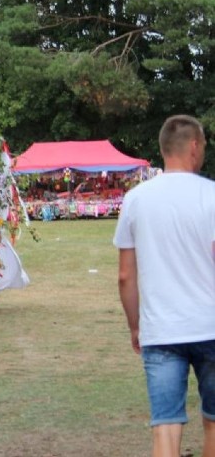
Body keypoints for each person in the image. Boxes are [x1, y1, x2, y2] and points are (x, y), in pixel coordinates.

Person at [114, 114, 215, 457]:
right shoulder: (212, 195)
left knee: (166, 427)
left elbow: (125, 275)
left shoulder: (136, 199)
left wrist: (134, 327)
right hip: (210, 325)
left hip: (161, 329)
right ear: (194, 146)